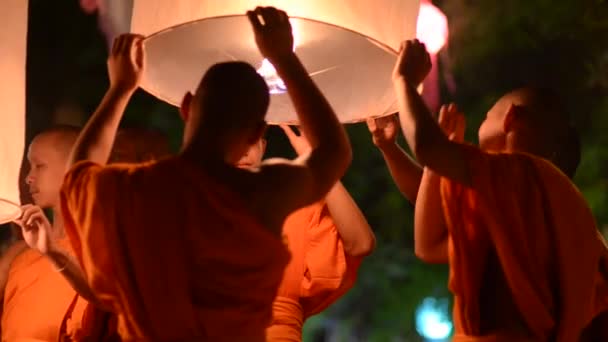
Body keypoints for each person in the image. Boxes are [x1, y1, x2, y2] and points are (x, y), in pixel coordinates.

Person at [59, 6, 352, 341]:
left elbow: (78, 174)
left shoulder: (135, 188)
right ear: (257, 132)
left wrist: (121, 89)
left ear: (186, 107)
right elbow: (333, 152)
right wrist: (284, 58)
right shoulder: (262, 194)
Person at [393, 39, 606, 341]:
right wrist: (394, 148)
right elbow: (429, 243)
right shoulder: (563, 216)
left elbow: (427, 147)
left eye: (489, 113)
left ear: (511, 118)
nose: (484, 118)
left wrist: (403, 80)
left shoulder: (524, 171)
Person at [237, 125, 374, 341]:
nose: (243, 150)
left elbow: (362, 244)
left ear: (262, 146)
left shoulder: (294, 204)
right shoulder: (191, 205)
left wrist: (320, 164)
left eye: (251, 140)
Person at [2, 126, 89, 341]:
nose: (28, 178)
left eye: (39, 166)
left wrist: (52, 251)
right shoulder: (20, 252)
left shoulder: (102, 250)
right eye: (30, 167)